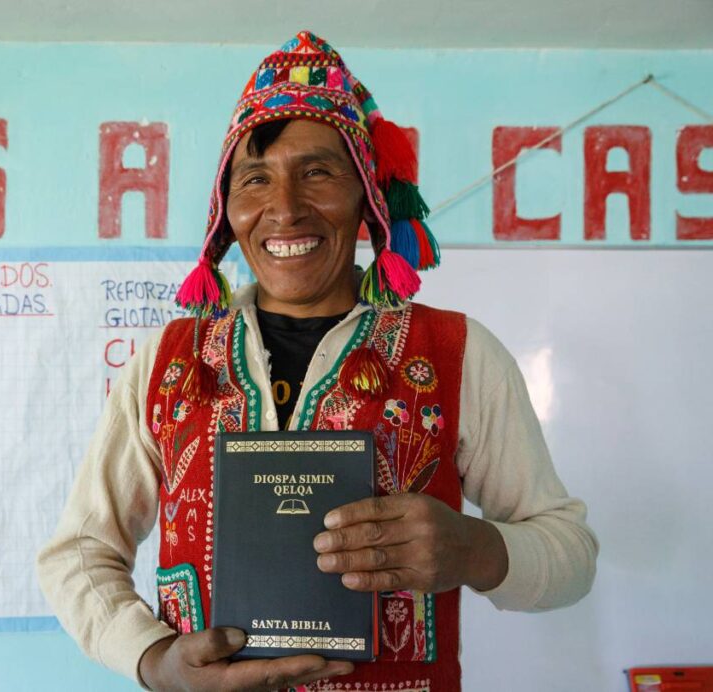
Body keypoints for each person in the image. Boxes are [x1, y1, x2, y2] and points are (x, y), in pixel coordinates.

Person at [37, 31, 597, 691]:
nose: (285, 208)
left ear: (368, 197)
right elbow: (78, 553)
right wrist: (152, 660)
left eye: (318, 172)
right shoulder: (168, 360)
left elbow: (573, 556)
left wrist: (477, 550)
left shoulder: (456, 351)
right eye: (255, 179)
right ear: (227, 210)